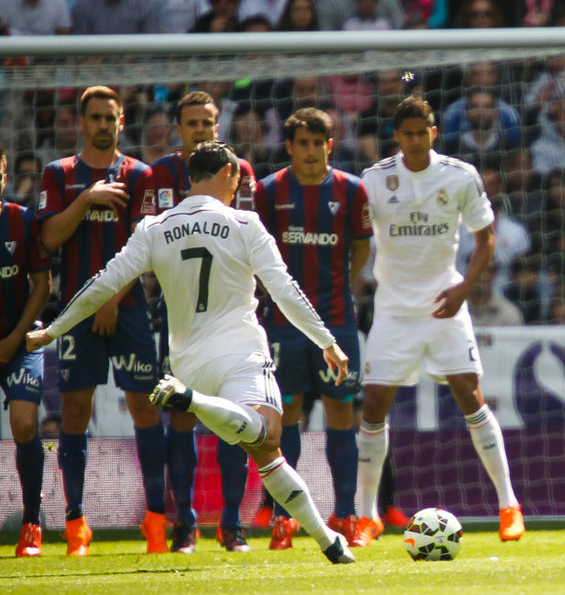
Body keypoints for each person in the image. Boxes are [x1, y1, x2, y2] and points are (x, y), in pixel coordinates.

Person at [27, 141, 356, 564]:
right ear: (226, 174)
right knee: (269, 432)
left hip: (187, 363)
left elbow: (102, 283)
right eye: (237, 176)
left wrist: (54, 328)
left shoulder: (153, 228)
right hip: (239, 353)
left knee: (266, 454)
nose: (239, 184)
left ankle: (328, 541)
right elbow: (285, 289)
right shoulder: (244, 223)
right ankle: (193, 402)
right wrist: (326, 340)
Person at [356, 96, 525, 541]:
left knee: (471, 396)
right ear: (397, 136)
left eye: (421, 132)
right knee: (373, 406)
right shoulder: (374, 180)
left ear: (434, 132)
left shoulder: (460, 176)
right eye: (406, 133)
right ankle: (367, 513)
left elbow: (486, 240)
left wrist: (463, 289)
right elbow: (355, 236)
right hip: (392, 310)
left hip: (445, 305)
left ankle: (509, 506)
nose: (414, 140)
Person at [38, 86, 165, 557]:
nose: (102, 124)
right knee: (74, 411)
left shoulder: (141, 174)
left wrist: (111, 296)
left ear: (121, 120)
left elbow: (148, 247)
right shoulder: (60, 174)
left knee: (145, 409)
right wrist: (86, 199)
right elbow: (49, 238)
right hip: (75, 310)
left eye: (109, 117)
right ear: (80, 121)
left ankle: (155, 521)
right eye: (94, 116)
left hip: (128, 308)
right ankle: (76, 525)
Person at [253, 108, 372, 548]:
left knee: (342, 414)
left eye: (317, 142)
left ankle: (346, 516)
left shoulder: (352, 191)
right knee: (287, 420)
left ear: (329, 143)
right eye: (301, 143)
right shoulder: (269, 191)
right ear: (289, 146)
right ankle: (283, 519)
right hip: (283, 325)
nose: (309, 151)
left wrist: (341, 285)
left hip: (337, 321)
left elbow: (361, 251)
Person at [149, 90, 258, 554]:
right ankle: (185, 525)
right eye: (192, 122)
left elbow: (250, 244)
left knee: (233, 418)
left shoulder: (240, 172)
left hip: (230, 320)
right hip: (178, 320)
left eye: (207, 123)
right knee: (179, 418)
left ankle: (232, 525)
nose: (200, 129)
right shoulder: (160, 174)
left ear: (217, 126)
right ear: (179, 127)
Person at [0, 147, 52, 556]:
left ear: (3, 177)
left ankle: (32, 524)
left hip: (21, 340)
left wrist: (15, 336)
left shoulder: (23, 220)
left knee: (23, 423)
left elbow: (43, 286)